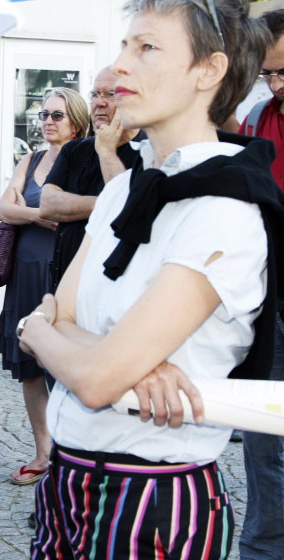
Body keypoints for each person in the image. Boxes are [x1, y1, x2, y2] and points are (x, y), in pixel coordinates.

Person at [18, 1, 282, 557]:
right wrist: (102, 354)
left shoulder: (226, 210)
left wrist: (44, 335)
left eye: (147, 48)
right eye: (123, 47)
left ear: (208, 71)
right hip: (66, 479)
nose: (119, 70)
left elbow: (89, 374)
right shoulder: (121, 190)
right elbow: (64, 322)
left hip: (151, 496)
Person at [0, 88, 88, 486]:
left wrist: (29, 211)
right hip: (25, 270)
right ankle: (43, 453)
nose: (48, 121)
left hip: (66, 272)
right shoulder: (30, 159)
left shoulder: (85, 159)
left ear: (76, 122)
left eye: (57, 116)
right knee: (30, 368)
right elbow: (3, 209)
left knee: (65, 366)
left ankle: (75, 455)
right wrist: (39, 214)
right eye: (44, 115)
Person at [237, 9, 284, 559]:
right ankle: (265, 547)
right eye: (267, 74)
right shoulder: (255, 116)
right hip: (268, 298)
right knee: (262, 434)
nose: (274, 84)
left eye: (282, 72)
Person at [39, 66, 144, 291]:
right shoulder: (75, 149)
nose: (99, 103)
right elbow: (47, 204)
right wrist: (107, 202)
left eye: (110, 94)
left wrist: (107, 151)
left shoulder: (149, 151)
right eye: (95, 95)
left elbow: (130, 210)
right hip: (63, 283)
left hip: (111, 288)